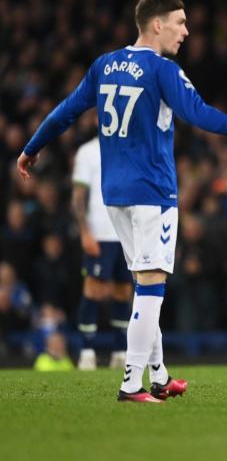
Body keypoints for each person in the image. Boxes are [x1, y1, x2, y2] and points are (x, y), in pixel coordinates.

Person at [17, 0, 227, 403]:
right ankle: (131, 383)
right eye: (180, 22)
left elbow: (65, 111)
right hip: (152, 192)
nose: (186, 31)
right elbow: (200, 114)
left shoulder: (105, 64)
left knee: (141, 283)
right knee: (152, 285)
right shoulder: (163, 69)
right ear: (156, 25)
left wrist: (31, 147)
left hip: (114, 195)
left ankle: (159, 374)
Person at [73, 137, 132, 371]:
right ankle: (87, 352)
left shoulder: (132, 145)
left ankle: (120, 352)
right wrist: (84, 232)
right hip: (100, 233)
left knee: (123, 291)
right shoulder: (87, 151)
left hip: (127, 233)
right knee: (94, 289)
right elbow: (78, 196)